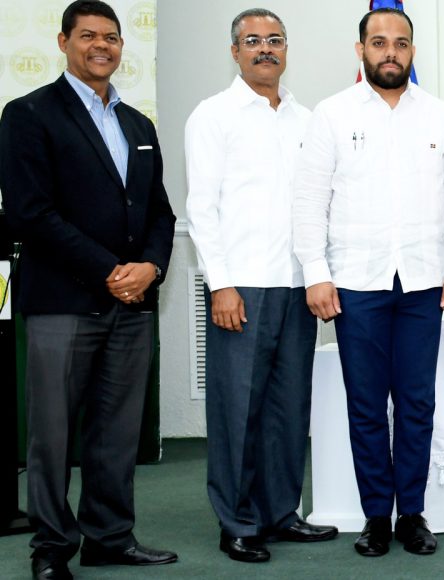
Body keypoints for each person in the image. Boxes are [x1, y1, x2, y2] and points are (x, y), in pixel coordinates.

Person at [0, 2, 178, 578]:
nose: (102, 45)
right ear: (63, 42)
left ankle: (109, 537)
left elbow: (160, 213)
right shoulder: (28, 113)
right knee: (52, 437)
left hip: (132, 305)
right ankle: (52, 549)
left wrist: (150, 266)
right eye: (88, 36)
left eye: (112, 37)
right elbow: (30, 213)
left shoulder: (138, 125)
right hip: (62, 302)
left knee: (117, 432)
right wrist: (110, 270)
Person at [292, 7, 444, 558]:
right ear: (361, 49)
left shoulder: (440, 116)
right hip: (355, 284)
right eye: (379, 42)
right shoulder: (332, 114)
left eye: (401, 43)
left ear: (412, 51)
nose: (390, 52)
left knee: (416, 404)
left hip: (422, 282)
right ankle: (375, 515)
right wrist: (316, 273)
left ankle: (411, 512)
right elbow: (309, 202)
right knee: (366, 406)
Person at [185, 8, 338, 564]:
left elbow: (318, 204)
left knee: (288, 408)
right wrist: (220, 284)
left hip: (297, 286)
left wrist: (319, 275)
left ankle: (280, 512)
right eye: (252, 41)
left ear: (286, 50)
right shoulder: (213, 116)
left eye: (274, 40)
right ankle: (237, 521)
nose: (265, 49)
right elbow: (201, 208)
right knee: (237, 411)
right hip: (241, 287)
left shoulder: (308, 119)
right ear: (235, 52)